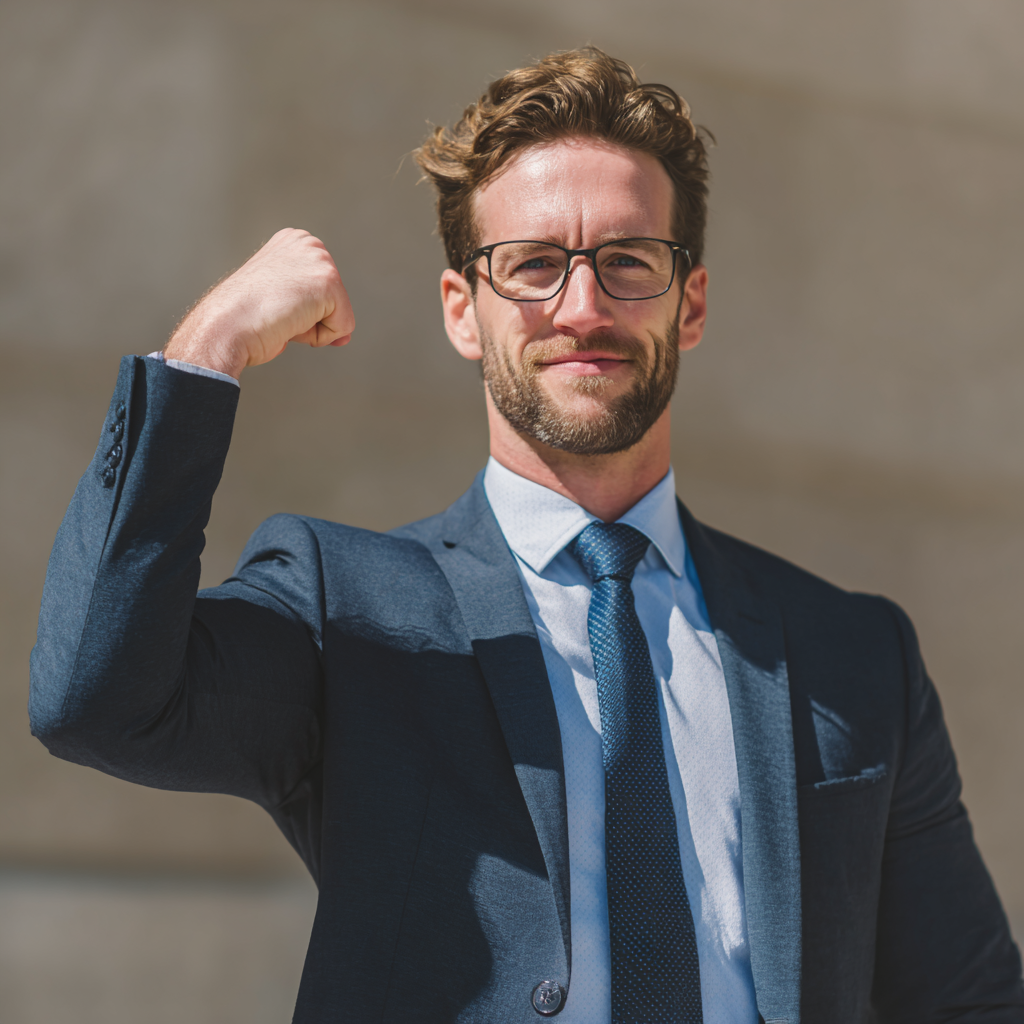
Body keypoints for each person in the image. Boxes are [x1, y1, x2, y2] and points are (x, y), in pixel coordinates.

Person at [29, 48, 1023, 1024]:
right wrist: (209, 353)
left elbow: (968, 996)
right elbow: (96, 698)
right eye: (535, 265)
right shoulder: (350, 610)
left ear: (693, 304)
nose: (582, 307)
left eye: (629, 261)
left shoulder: (850, 652)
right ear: (464, 311)